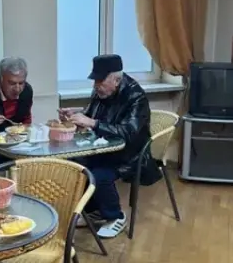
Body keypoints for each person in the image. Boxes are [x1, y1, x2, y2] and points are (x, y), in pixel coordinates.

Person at [59, 54, 161, 238]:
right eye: (95, 80)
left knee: (99, 175)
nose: (96, 85)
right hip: (105, 148)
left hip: (131, 154)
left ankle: (116, 216)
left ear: (116, 80)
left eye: (100, 81)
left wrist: (92, 123)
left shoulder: (136, 96)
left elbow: (129, 132)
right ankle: (94, 210)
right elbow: (91, 115)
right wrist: (75, 115)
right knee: (75, 163)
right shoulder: (101, 91)